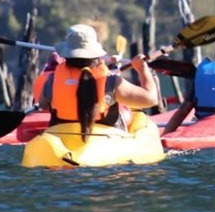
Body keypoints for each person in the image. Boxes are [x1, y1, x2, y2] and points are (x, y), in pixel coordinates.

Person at [37, 23, 168, 140]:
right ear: (96, 54)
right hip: (105, 141)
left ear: (67, 54)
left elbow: (43, 105)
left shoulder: (53, 80)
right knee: (134, 115)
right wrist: (142, 69)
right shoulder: (111, 82)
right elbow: (151, 99)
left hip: (62, 139)